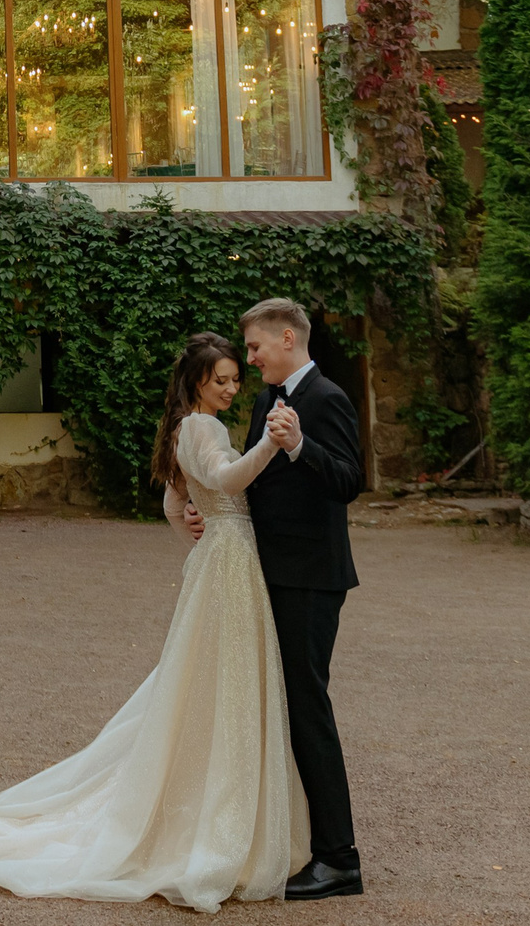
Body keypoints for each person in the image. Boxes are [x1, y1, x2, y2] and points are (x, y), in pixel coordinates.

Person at [0, 333, 309, 911]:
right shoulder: (203, 428)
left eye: (236, 379)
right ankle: (220, 821)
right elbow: (225, 483)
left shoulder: (185, 427)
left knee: (207, 679)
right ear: (197, 382)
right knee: (225, 681)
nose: (232, 388)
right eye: (222, 380)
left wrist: (194, 539)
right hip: (230, 561)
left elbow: (172, 503)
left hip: (218, 560)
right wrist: (271, 449)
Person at [179, 297, 365, 900]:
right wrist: (206, 511)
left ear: (288, 337)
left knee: (308, 707)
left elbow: (348, 481)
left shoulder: (327, 398)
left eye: (256, 348)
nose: (251, 359)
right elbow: (250, 484)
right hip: (267, 573)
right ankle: (293, 844)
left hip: (311, 576)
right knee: (278, 706)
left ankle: (340, 860)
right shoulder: (267, 401)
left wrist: (299, 447)